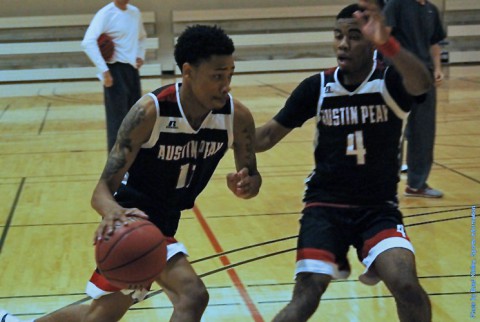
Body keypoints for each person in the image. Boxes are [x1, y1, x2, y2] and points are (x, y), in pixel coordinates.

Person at [2, 24, 262, 322]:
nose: (226, 84)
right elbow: (102, 189)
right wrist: (114, 213)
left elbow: (252, 177)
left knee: (98, 317)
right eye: (217, 76)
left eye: (230, 74)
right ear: (188, 71)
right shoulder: (150, 112)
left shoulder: (236, 116)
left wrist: (247, 185)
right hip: (133, 224)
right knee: (191, 295)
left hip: (164, 224)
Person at [255, 2, 433, 321]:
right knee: (307, 294)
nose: (343, 44)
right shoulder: (318, 87)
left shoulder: (389, 82)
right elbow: (265, 137)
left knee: (407, 287)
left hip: (378, 209)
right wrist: (221, 131)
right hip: (325, 207)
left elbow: (422, 83)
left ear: (372, 42)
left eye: (354, 36)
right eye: (337, 35)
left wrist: (388, 45)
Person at [383, 0, 446, 198]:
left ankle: (416, 184)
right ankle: (384, 183)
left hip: (425, 77)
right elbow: (383, 35)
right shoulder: (397, 4)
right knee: (392, 130)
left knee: (423, 131)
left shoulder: (431, 10)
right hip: (399, 74)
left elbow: (434, 43)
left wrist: (437, 69)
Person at [82, 0, 147, 152]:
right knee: (117, 123)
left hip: (132, 71)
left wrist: (140, 55)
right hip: (114, 71)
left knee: (135, 120)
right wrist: (104, 71)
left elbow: (142, 37)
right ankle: (115, 166)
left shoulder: (134, 12)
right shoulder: (105, 13)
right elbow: (88, 42)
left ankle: (133, 162)